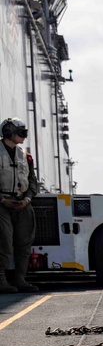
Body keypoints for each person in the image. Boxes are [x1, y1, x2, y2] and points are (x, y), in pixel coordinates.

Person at [0, 117, 39, 293]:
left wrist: (27, 200)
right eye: (21, 132)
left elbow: (33, 183)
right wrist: (2, 200)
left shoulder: (26, 157)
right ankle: (1, 280)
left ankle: (20, 279)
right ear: (8, 132)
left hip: (22, 203)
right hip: (2, 204)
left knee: (24, 243)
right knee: (5, 242)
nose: (24, 136)